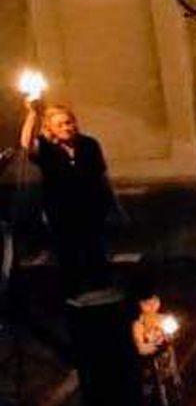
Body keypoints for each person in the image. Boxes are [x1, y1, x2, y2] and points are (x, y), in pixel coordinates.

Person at [18, 102, 122, 296]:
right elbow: (26, 145)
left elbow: (102, 176)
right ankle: (73, 298)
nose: (68, 128)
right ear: (50, 128)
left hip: (92, 208)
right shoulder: (46, 148)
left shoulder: (89, 144)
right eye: (61, 125)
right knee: (68, 255)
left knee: (95, 252)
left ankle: (101, 296)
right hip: (61, 211)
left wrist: (115, 206)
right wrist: (32, 113)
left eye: (70, 122)